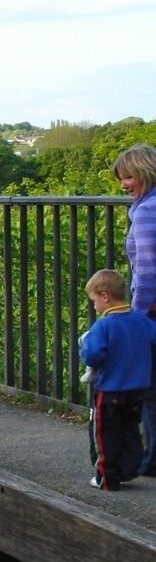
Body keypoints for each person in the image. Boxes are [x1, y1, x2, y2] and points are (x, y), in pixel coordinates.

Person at [80, 269, 156, 491]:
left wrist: (83, 349)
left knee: (104, 435)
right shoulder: (140, 321)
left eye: (94, 300)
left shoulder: (103, 326)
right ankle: (128, 468)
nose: (94, 306)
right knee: (130, 430)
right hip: (136, 391)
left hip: (110, 389)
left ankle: (106, 477)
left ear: (105, 296)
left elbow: (93, 354)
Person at [112, 144, 156, 476]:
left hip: (150, 311)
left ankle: (152, 459)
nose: (123, 185)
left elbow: (147, 270)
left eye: (127, 177)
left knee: (149, 388)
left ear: (142, 173)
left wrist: (135, 319)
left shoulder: (146, 211)